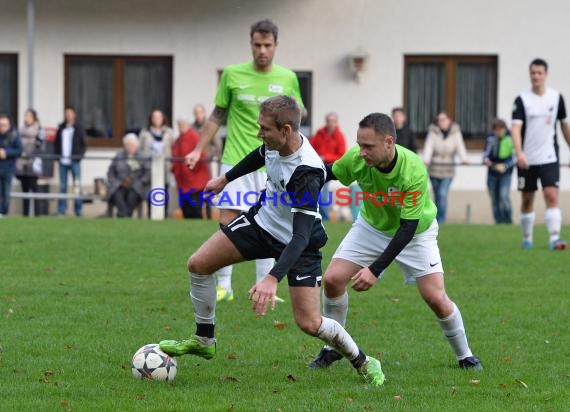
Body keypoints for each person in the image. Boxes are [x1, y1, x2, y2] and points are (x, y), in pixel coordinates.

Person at [159, 96, 385, 387]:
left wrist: (272, 278)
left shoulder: (307, 172)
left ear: (287, 130)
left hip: (298, 245)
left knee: (310, 323)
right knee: (198, 264)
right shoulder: (274, 142)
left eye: (265, 129)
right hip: (260, 223)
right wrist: (225, 179)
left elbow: (300, 236)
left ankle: (363, 361)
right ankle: (204, 340)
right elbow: (260, 153)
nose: (260, 134)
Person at [309, 112, 481, 371]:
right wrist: (299, 179)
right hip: (371, 226)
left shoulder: (412, 169)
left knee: (434, 296)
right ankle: (334, 347)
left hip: (415, 233)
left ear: (389, 142)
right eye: (359, 144)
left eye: (369, 146)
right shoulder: (357, 158)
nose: (362, 152)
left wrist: (375, 269)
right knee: (332, 280)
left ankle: (465, 356)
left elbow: (407, 228)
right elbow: (330, 172)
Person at [185, 19, 305, 302]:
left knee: (270, 223)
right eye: (257, 45)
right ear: (250, 44)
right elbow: (217, 116)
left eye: (267, 45)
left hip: (274, 163)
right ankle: (224, 286)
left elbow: (297, 115)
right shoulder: (232, 74)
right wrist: (197, 149)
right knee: (228, 220)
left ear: (276, 45)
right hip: (235, 160)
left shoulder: (288, 78)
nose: (262, 50)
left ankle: (265, 288)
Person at [511, 58, 570, 250]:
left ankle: (554, 238)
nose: (536, 76)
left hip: (549, 157)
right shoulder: (522, 100)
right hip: (527, 159)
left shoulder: (556, 98)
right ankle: (527, 238)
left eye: (539, 73)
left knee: (551, 195)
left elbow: (565, 126)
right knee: (527, 199)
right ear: (530, 75)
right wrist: (519, 153)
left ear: (546, 74)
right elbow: (515, 129)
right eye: (533, 73)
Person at [423, 111, 468, 223]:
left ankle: (441, 220)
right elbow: (428, 146)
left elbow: (460, 146)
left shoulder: (455, 132)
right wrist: (426, 159)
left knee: (442, 194)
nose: (442, 122)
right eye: (439, 120)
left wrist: (464, 158)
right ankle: (436, 219)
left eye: (444, 119)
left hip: (448, 170)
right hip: (434, 169)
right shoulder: (433, 132)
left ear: (449, 121)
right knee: (437, 195)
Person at [310, 112, 346, 220]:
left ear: (336, 122)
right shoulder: (319, 133)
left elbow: (342, 156)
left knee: (323, 193)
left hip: (330, 168)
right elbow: (311, 148)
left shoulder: (339, 136)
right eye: (328, 121)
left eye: (333, 121)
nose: (330, 123)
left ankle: (325, 217)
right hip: (316, 166)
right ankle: (318, 215)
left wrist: (325, 157)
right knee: (317, 192)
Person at [172, 118, 210, 219]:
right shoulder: (177, 141)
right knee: (186, 210)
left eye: (183, 125)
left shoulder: (194, 137)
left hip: (196, 182)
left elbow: (201, 156)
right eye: (179, 125)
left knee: (195, 209)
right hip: (183, 182)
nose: (181, 127)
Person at [106, 133, 150, 218]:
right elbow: (110, 172)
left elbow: (147, 173)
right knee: (117, 195)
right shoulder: (119, 156)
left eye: (132, 145)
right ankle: (123, 215)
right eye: (128, 145)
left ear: (137, 145)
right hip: (120, 184)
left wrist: (138, 182)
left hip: (137, 185)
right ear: (125, 146)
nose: (130, 147)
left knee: (132, 196)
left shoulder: (143, 156)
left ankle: (125, 216)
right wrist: (116, 182)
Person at [54, 106, 86, 217]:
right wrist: (57, 157)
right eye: (66, 113)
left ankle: (78, 210)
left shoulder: (78, 128)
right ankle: (61, 209)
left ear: (74, 115)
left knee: (77, 185)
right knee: (63, 186)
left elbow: (83, 144)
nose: (68, 115)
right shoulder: (61, 128)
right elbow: (56, 144)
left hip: (74, 161)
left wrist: (79, 157)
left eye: (70, 113)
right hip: (63, 161)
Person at [483, 119, 515, 224]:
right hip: (492, 172)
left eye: (501, 130)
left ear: (505, 129)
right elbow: (485, 155)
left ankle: (508, 220)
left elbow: (515, 157)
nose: (499, 132)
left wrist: (505, 166)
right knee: (494, 198)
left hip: (506, 173)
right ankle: (498, 221)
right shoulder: (490, 139)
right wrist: (488, 162)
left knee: (504, 196)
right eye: (496, 130)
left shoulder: (511, 138)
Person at [16, 109, 44, 216]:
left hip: (33, 163)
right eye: (25, 115)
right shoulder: (21, 130)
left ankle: (38, 214)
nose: (26, 118)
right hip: (21, 164)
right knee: (25, 190)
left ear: (34, 118)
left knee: (35, 188)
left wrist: (30, 154)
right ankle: (25, 215)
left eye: (28, 116)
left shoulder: (39, 130)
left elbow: (41, 146)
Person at [0, 114, 23, 217]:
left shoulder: (14, 135)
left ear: (9, 125)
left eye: (4, 125)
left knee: (6, 192)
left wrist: (6, 152)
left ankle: (4, 212)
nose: (2, 127)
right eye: (1, 125)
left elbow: (19, 150)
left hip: (8, 168)